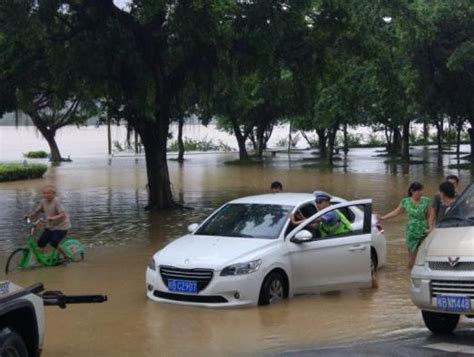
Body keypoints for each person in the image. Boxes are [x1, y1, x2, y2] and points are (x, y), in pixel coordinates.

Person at [378, 182, 431, 269]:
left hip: (424, 230)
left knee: (424, 253)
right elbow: (396, 212)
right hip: (411, 231)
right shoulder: (405, 201)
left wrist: (430, 228)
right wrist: (383, 218)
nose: (421, 192)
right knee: (412, 254)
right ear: (412, 191)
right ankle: (409, 274)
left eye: (422, 190)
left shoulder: (426, 201)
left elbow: (429, 216)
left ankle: (422, 271)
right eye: (419, 191)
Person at [25, 185, 71, 260]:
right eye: (44, 193)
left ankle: (66, 256)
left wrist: (53, 218)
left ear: (54, 194)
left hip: (62, 226)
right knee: (41, 243)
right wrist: (29, 216)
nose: (46, 195)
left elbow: (63, 214)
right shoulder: (43, 201)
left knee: (54, 242)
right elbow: (38, 211)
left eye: (48, 193)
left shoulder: (56, 201)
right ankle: (41, 259)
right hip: (50, 226)